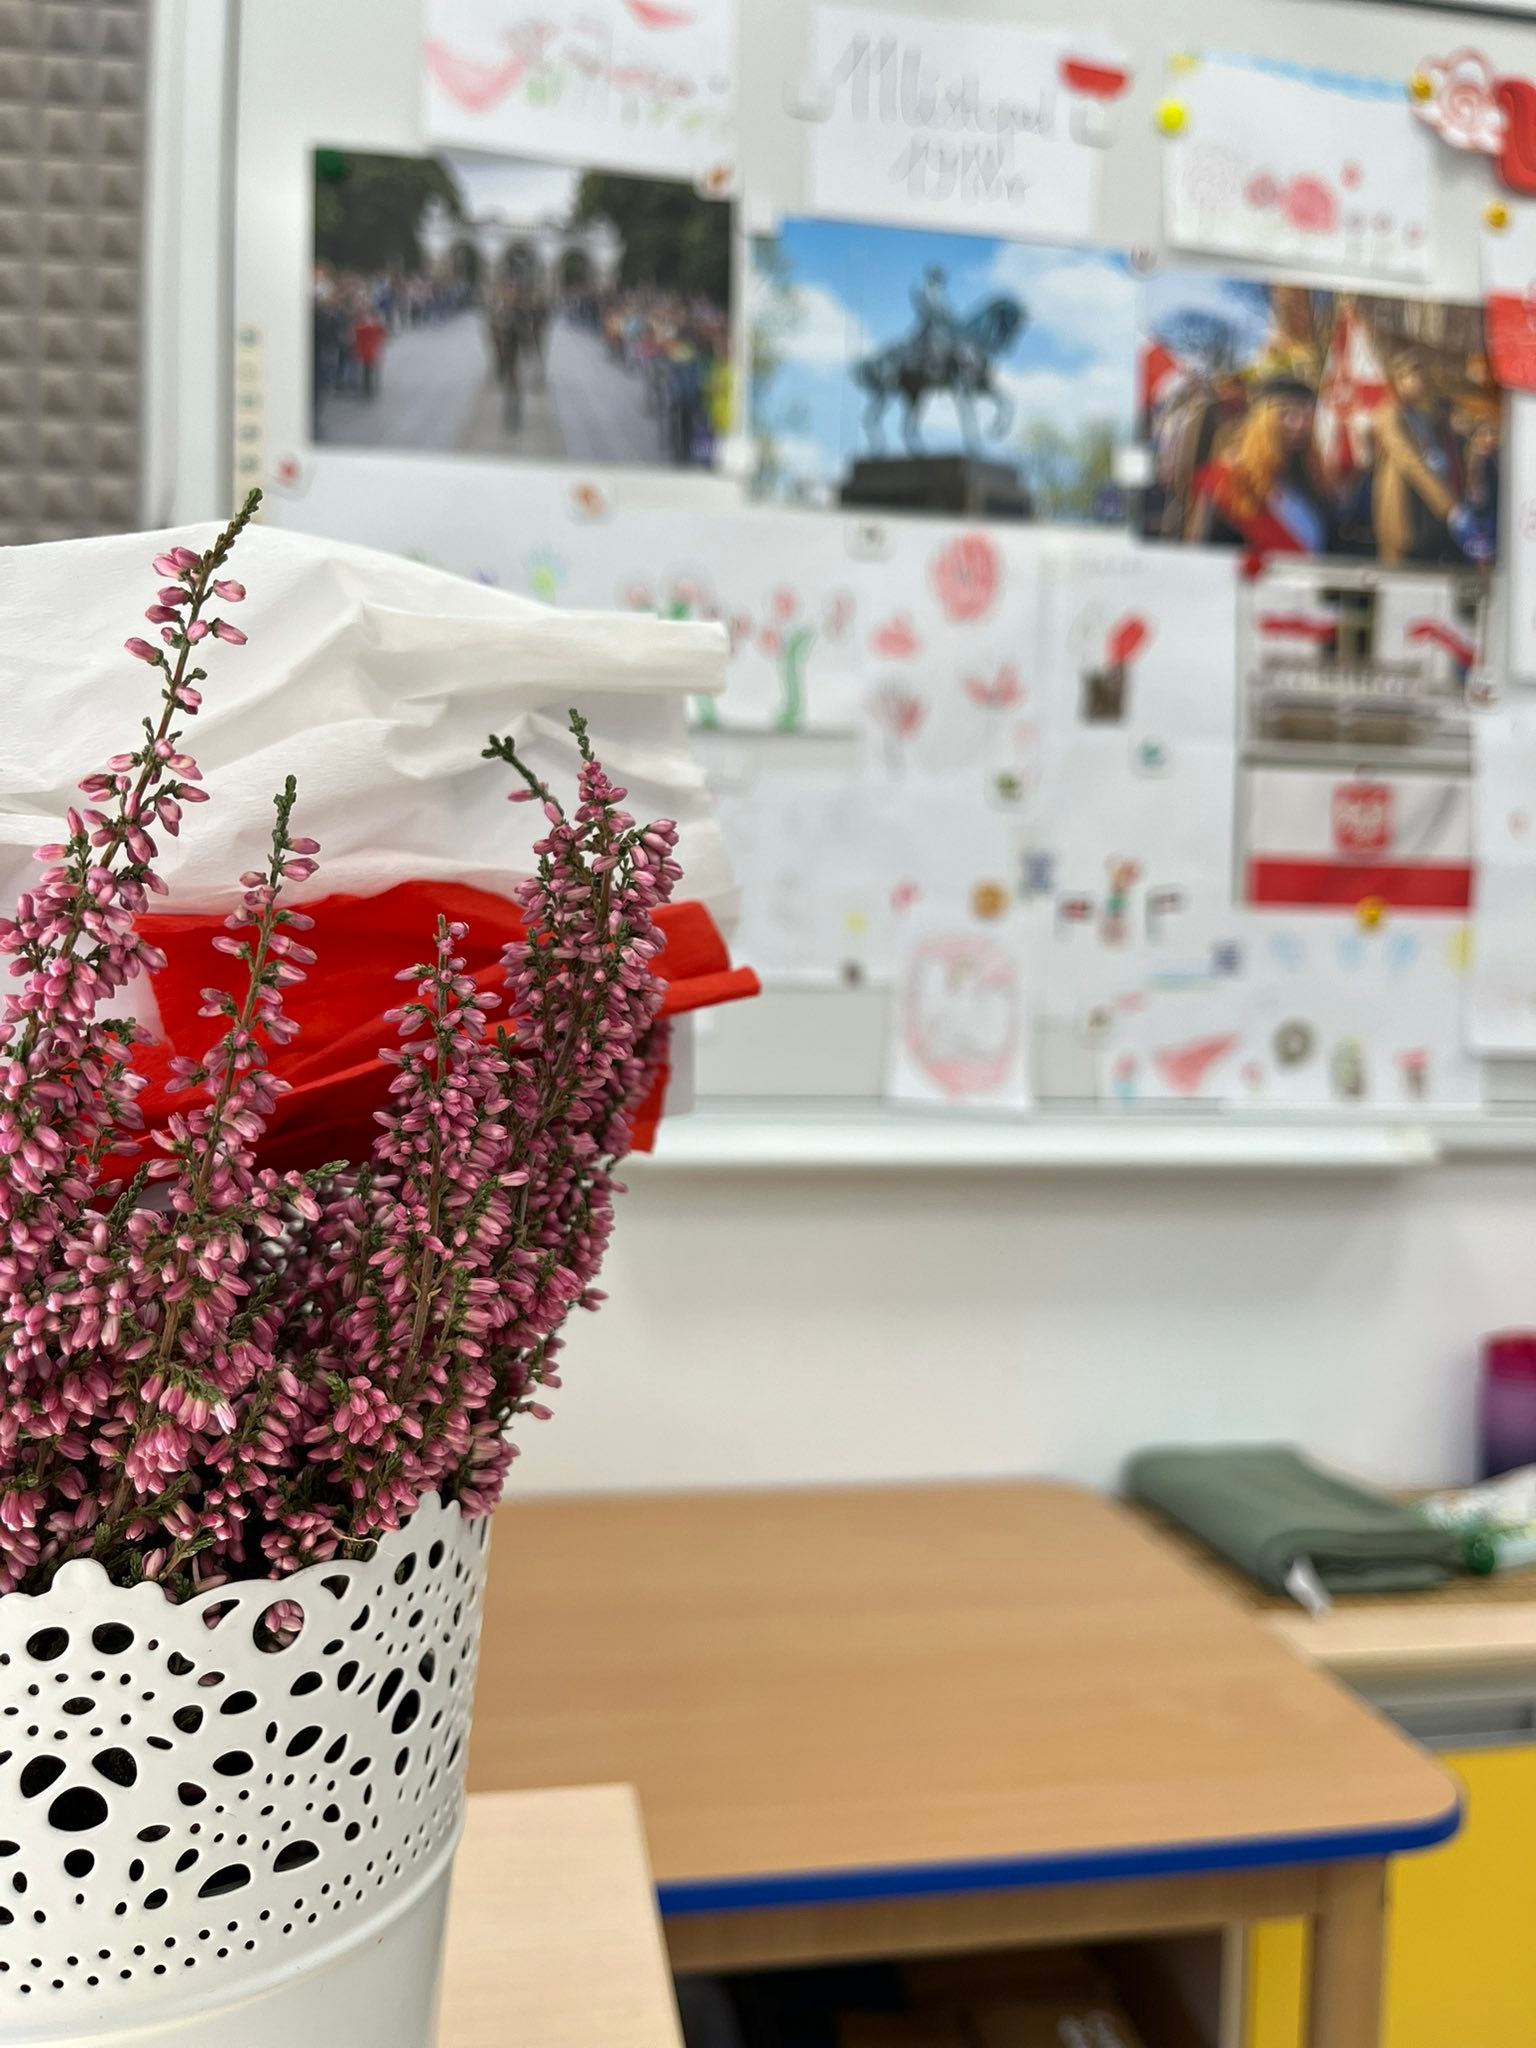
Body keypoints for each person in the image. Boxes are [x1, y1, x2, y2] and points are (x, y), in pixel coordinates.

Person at [1187, 375, 1333, 553]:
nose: (1299, 424)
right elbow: (1204, 549)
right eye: (1286, 413)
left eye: (1306, 415)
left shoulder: (1313, 477)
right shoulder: (1229, 480)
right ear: (1262, 421)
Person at [1371, 347, 1485, 566]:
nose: (1421, 383)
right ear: (1398, 379)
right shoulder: (1389, 414)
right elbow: (1409, 460)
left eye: (1422, 377)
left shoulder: (1421, 416)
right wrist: (1449, 505)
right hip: (1404, 511)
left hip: (1427, 514)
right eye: (1414, 376)